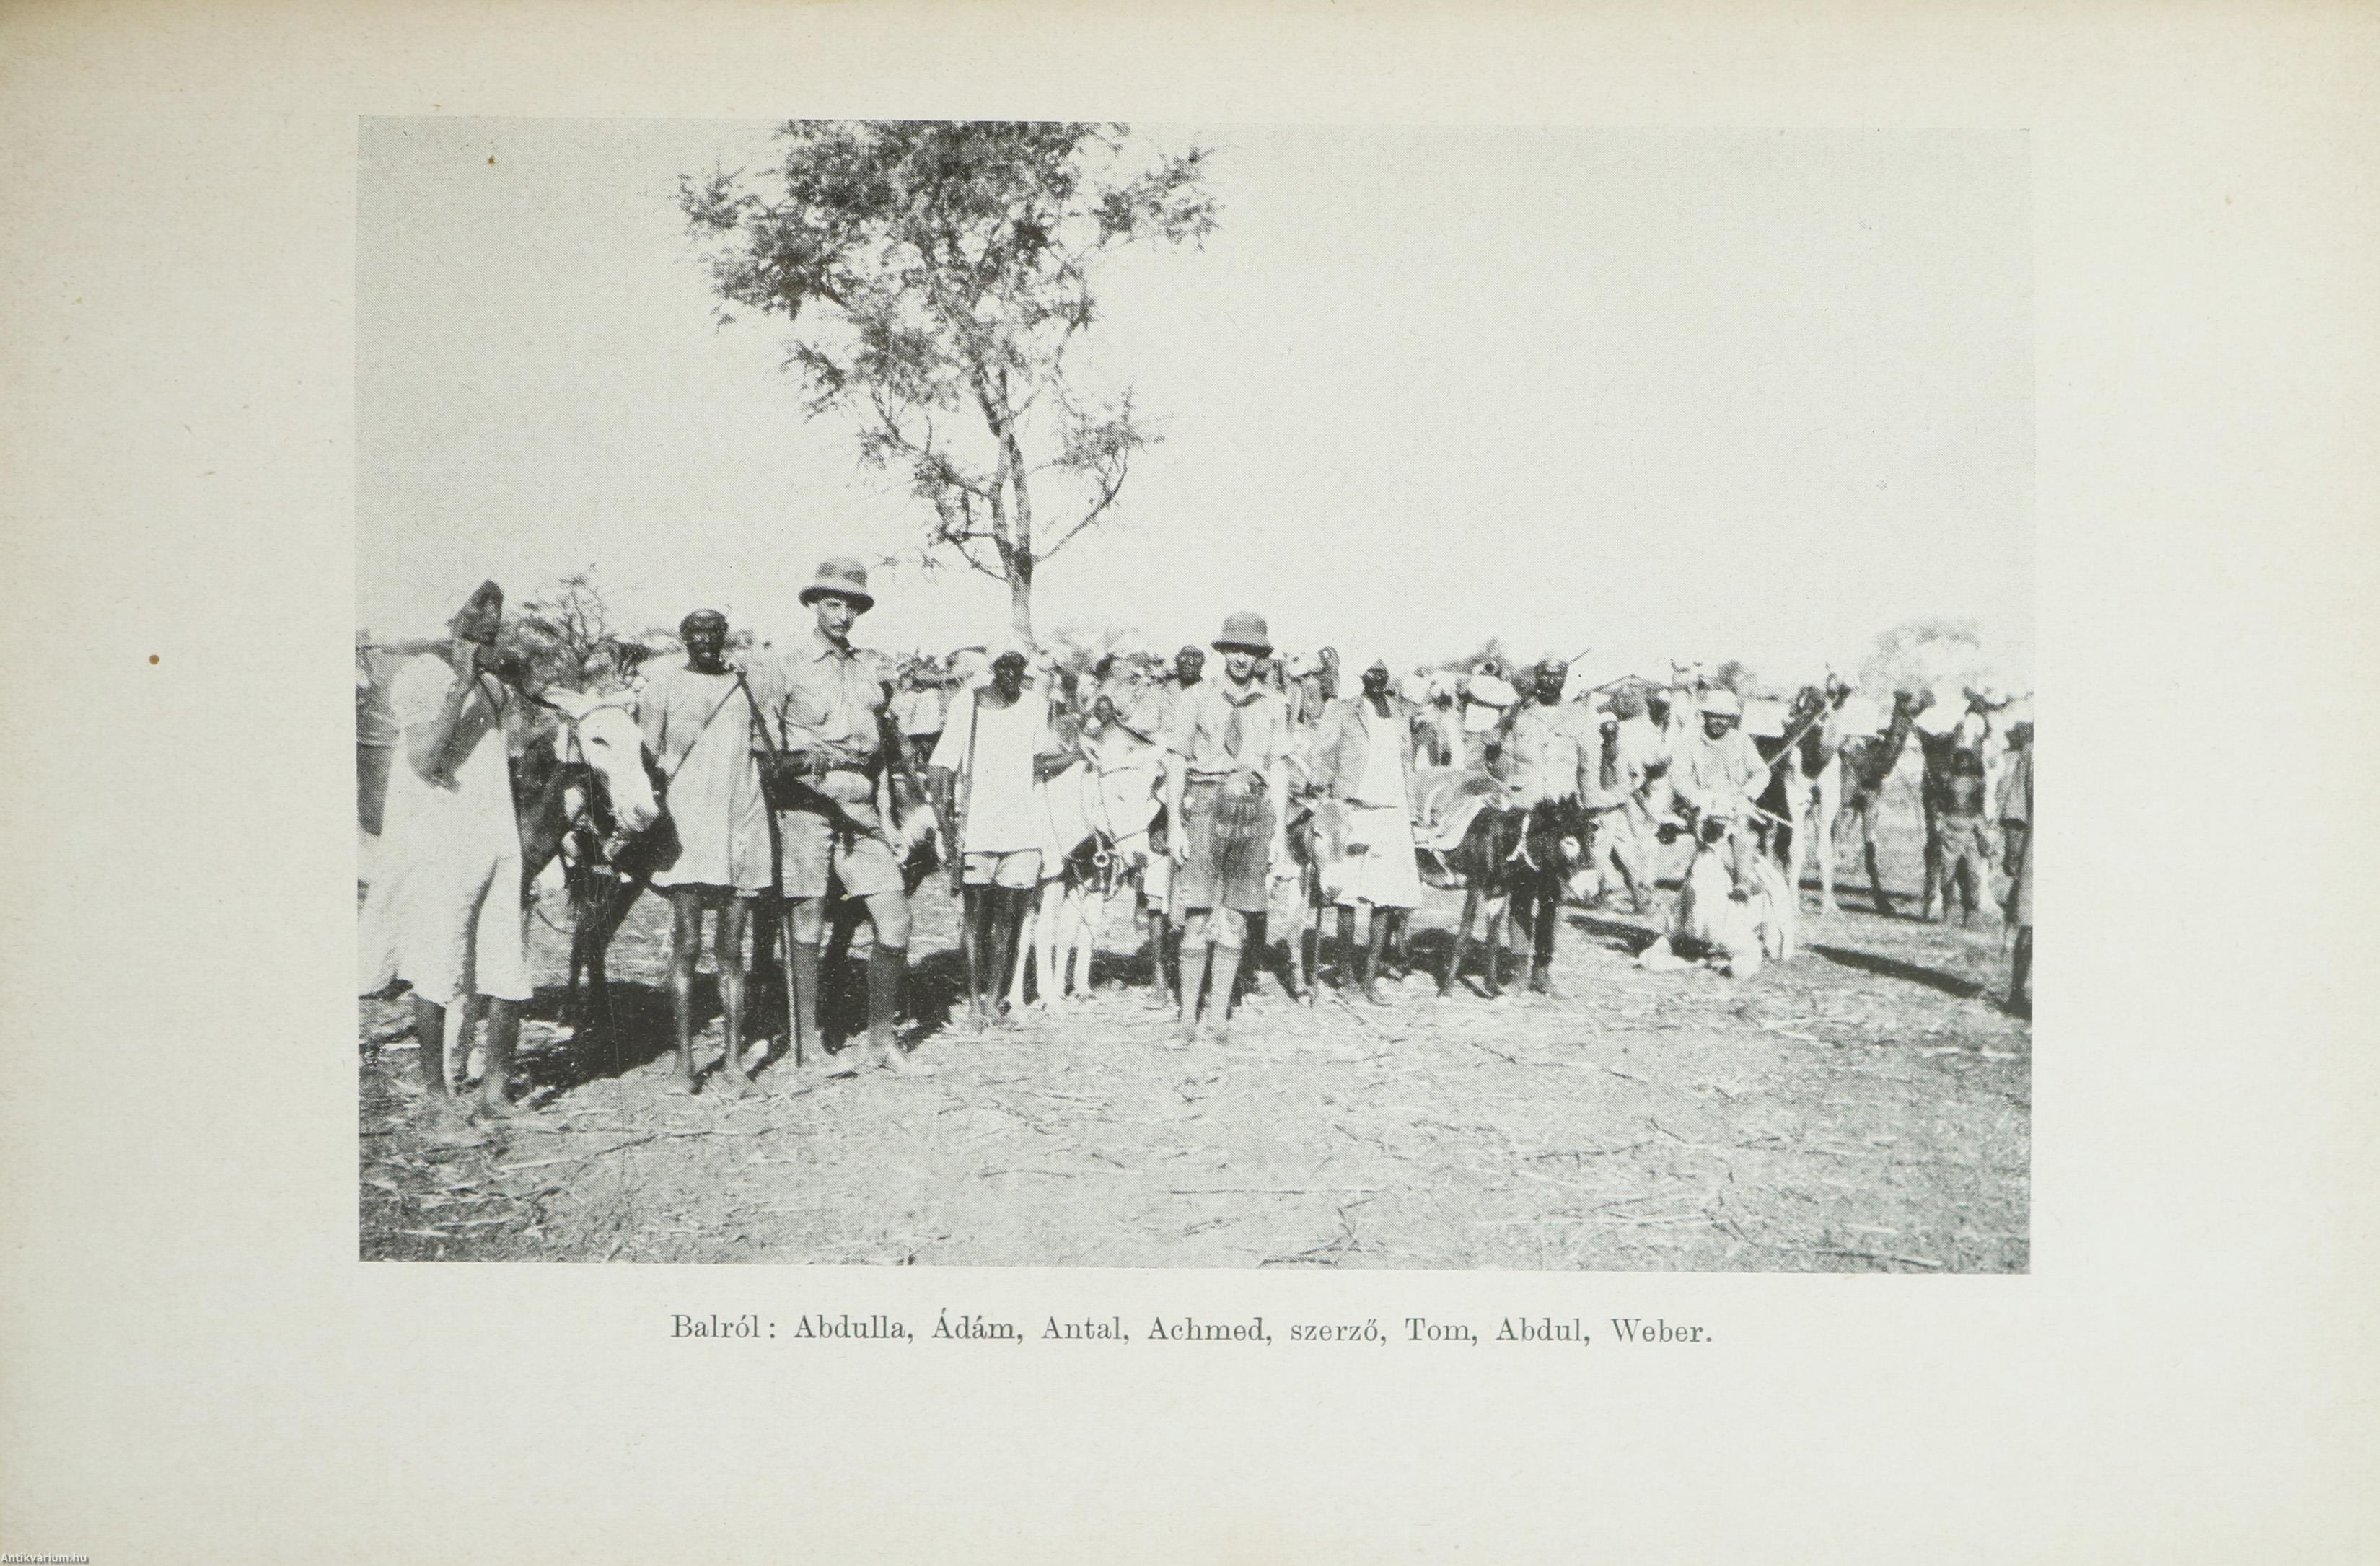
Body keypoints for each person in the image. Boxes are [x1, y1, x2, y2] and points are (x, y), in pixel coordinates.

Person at [749, 557, 933, 1078]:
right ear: (815, 605)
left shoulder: (866, 669)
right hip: (804, 806)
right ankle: (809, 1046)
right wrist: (804, 770)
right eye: (833, 604)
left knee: (896, 918)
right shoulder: (783, 663)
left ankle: (881, 1043)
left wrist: (887, 816)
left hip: (861, 812)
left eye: (852, 607)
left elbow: (881, 755)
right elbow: (761, 750)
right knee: (806, 917)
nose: (843, 615)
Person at [373, 579, 532, 1143]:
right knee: (439, 962)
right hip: (444, 840)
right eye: (478, 603)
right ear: (450, 612)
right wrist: (461, 683)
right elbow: (424, 758)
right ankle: (437, 1101)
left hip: (495, 833)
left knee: (505, 961)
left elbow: (509, 754)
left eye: (496, 604)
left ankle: (495, 1092)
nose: (492, 614)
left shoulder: (496, 682)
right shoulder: (422, 675)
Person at [639, 609, 771, 1097]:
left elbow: (765, 749)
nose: (707, 640)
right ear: (684, 638)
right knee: (687, 944)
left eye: (715, 632)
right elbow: (646, 755)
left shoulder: (745, 685)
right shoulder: (663, 684)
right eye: (697, 632)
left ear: (725, 637)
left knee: (731, 951)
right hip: (689, 827)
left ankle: (734, 1064)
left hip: (741, 821)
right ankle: (684, 1064)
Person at [1162, 612, 1292, 1044]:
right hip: (1205, 804)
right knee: (1197, 915)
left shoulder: (1274, 704)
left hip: (1253, 811)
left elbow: (1278, 768)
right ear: (1222, 653)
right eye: (1233, 649)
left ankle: (1218, 1018)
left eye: (1249, 652)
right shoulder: (1196, 696)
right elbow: (1177, 759)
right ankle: (1187, 1018)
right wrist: (1175, 824)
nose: (1240, 658)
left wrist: (1279, 834)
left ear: (1260, 657)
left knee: (1236, 918)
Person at [931, 642, 1069, 1030]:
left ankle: (994, 999)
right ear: (992, 668)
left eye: (1018, 666)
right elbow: (942, 765)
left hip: (1021, 829)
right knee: (976, 917)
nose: (1011, 673)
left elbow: (1039, 759)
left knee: (1008, 919)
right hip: (976, 828)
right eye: (1004, 666)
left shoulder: (1035, 704)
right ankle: (975, 1002)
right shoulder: (969, 703)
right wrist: (947, 829)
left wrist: (1075, 756)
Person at [1311, 659, 1421, 1002]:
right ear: (1362, 678)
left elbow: (1408, 762)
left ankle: (1370, 976)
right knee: (1347, 896)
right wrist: (1324, 795)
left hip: (1393, 812)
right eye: (1370, 674)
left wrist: (1412, 813)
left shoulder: (1401, 714)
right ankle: (1346, 975)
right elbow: (1323, 754)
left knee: (1385, 897)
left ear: (1388, 679)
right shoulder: (1343, 710)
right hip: (1354, 808)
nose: (1376, 679)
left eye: (1382, 675)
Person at [1125, 644, 1206, 1008]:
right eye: (1183, 660)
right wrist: (1165, 748)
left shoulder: (1211, 693)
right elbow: (1140, 732)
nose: (1189, 665)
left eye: (1196, 660)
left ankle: (1198, 980)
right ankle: (1159, 977)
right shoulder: (1161, 693)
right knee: (1157, 894)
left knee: (1202, 897)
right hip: (1163, 791)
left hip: (1201, 790)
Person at [1998, 718, 2034, 1014]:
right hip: (2037, 853)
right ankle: (2017, 993)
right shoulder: (2033, 752)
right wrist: (2013, 854)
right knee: (2031, 923)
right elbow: (2016, 810)